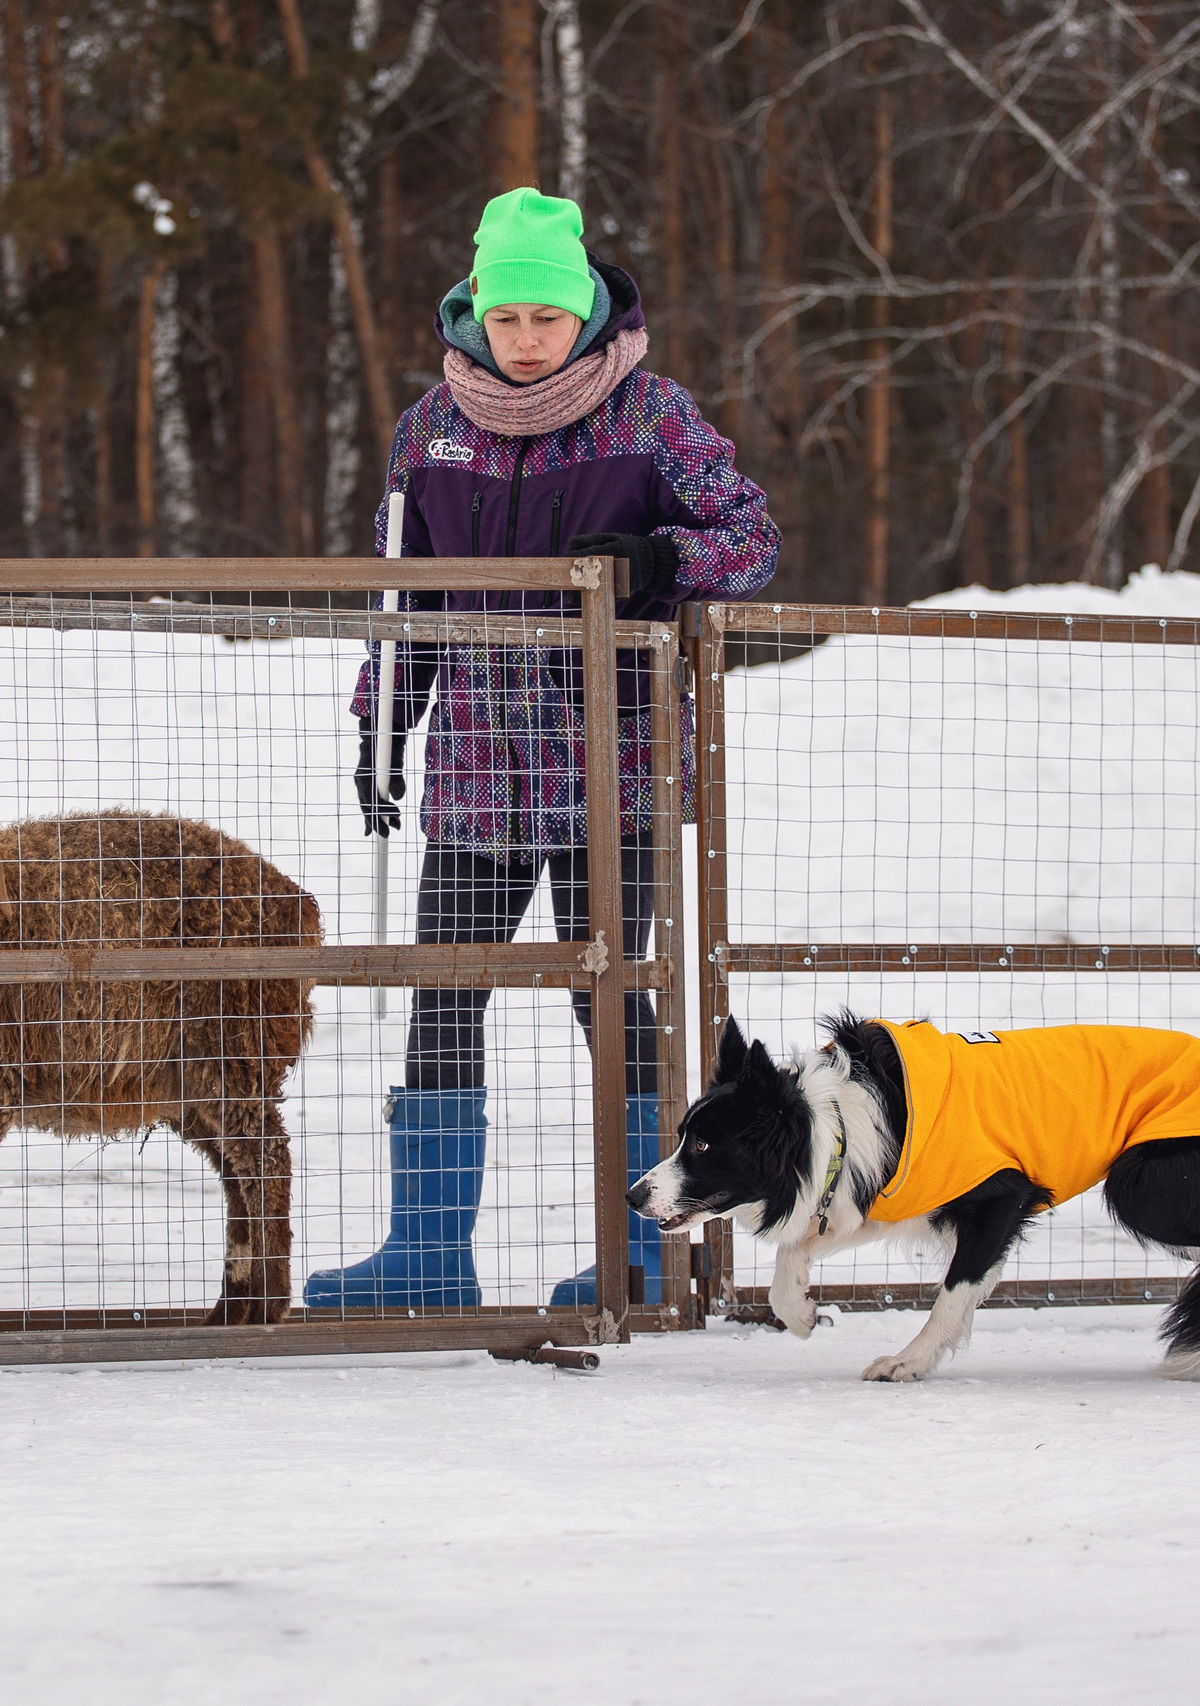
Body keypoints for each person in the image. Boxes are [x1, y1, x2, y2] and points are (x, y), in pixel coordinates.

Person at [305, 187, 779, 1311]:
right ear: (476, 309)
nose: (526, 341)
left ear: (585, 314)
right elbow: (400, 593)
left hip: (612, 769)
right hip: (474, 775)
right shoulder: (430, 429)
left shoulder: (651, 417)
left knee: (615, 999)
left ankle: (654, 1246)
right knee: (443, 996)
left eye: (547, 320)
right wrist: (383, 722)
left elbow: (751, 539)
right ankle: (424, 1250)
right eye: (506, 317)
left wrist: (663, 558)